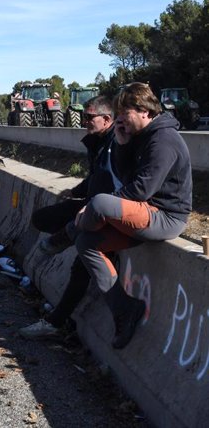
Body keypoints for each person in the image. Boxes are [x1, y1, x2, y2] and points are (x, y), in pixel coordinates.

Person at [72, 82, 191, 349]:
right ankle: (124, 308)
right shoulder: (140, 136)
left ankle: (74, 228)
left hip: (166, 217)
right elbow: (127, 179)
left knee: (100, 203)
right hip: (145, 212)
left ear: (144, 111)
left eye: (124, 113)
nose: (120, 120)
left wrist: (89, 213)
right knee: (86, 244)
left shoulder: (164, 140)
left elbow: (140, 189)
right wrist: (123, 145)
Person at [20, 95, 119, 340]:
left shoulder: (116, 143)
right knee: (42, 218)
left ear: (107, 119)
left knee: (81, 265)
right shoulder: (99, 143)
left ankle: (56, 321)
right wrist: (74, 192)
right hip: (92, 206)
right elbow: (96, 177)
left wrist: (94, 205)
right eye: (84, 116)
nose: (84, 121)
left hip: (108, 212)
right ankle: (68, 235)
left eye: (89, 117)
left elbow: (115, 182)